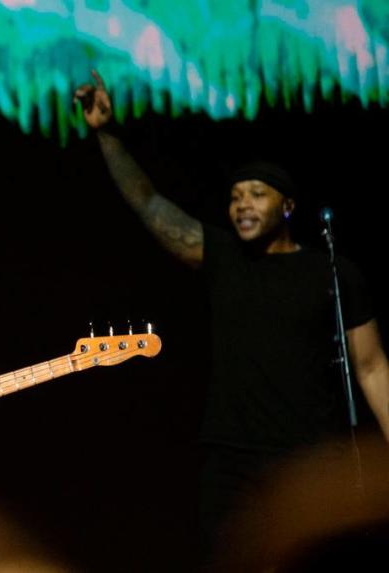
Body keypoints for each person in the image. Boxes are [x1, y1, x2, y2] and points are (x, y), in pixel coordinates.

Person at [74, 71, 389, 571]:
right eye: (235, 195)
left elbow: (372, 367)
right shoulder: (222, 255)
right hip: (231, 460)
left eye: (256, 195)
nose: (242, 203)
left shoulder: (331, 270)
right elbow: (149, 203)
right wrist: (108, 135)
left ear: (287, 207)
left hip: (307, 458)